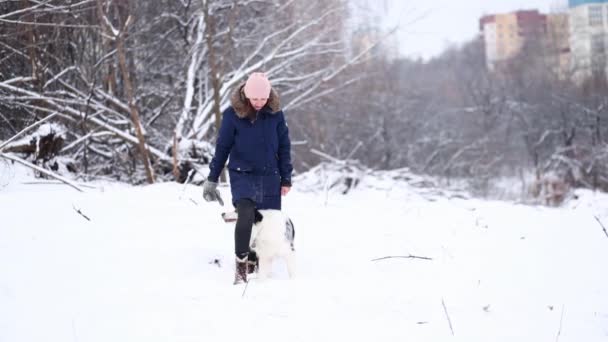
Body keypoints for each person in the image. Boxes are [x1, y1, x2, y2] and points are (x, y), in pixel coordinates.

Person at [202, 72, 293, 284]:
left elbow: (284, 147)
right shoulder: (232, 115)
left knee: (265, 220)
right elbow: (222, 148)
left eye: (263, 98)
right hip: (242, 174)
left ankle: (256, 258)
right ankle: (241, 266)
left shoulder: (276, 114)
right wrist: (212, 178)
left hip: (270, 175)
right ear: (246, 95)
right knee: (246, 213)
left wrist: (286, 178)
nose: (259, 103)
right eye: (255, 99)